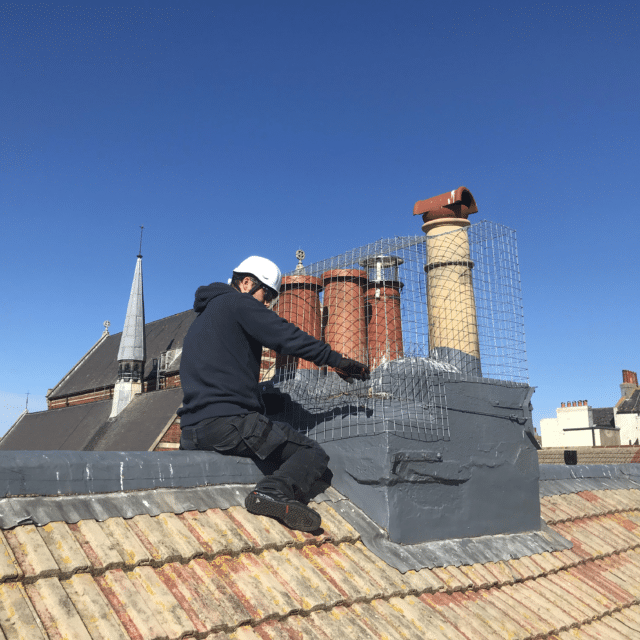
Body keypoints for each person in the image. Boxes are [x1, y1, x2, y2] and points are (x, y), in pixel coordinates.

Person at [178, 256, 370, 532]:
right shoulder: (238, 302)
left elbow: (219, 378)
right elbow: (286, 336)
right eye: (266, 294)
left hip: (193, 430)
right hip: (230, 423)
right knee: (310, 453)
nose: (267, 304)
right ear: (246, 283)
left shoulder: (202, 318)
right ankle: (271, 492)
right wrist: (336, 360)